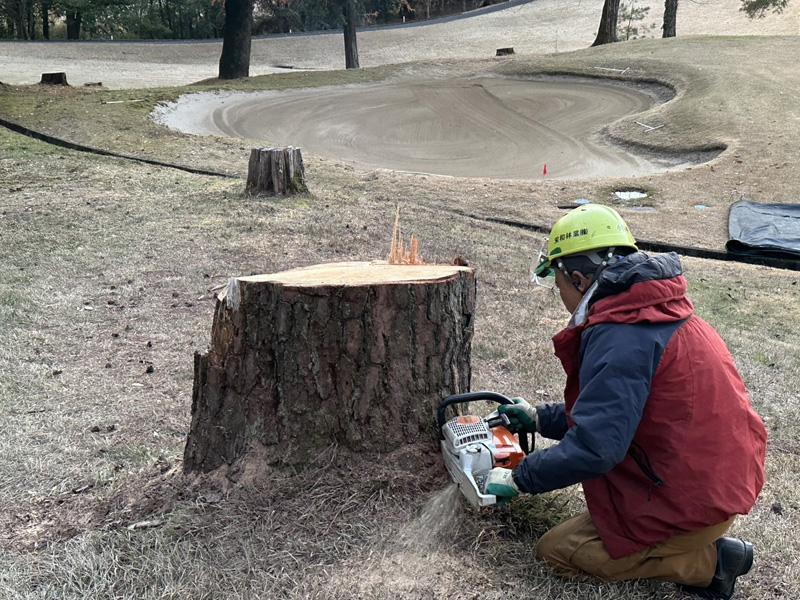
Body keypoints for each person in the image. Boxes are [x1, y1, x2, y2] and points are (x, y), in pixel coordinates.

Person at [483, 204, 767, 600]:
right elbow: (617, 412)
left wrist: (519, 477)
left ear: (578, 279)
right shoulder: (649, 312)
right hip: (713, 483)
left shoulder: (621, 334)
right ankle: (694, 545)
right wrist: (540, 419)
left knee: (558, 551)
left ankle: (714, 563)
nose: (559, 294)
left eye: (558, 283)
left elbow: (598, 446)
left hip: (693, 500)